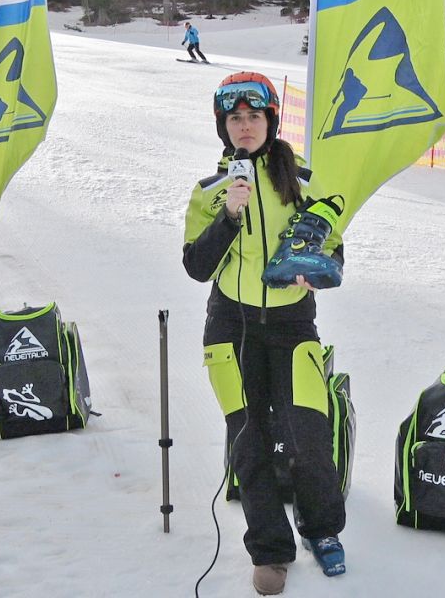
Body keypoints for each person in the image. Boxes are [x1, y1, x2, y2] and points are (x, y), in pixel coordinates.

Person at [182, 72, 347, 596]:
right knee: (248, 441)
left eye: (255, 116)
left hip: (293, 325)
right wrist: (229, 214)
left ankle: (321, 530)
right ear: (223, 126)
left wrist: (316, 268)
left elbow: (333, 245)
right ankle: (271, 551)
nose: (245, 126)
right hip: (230, 326)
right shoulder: (210, 192)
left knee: (309, 434)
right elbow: (195, 265)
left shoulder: (300, 177)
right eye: (235, 118)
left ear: (271, 121)